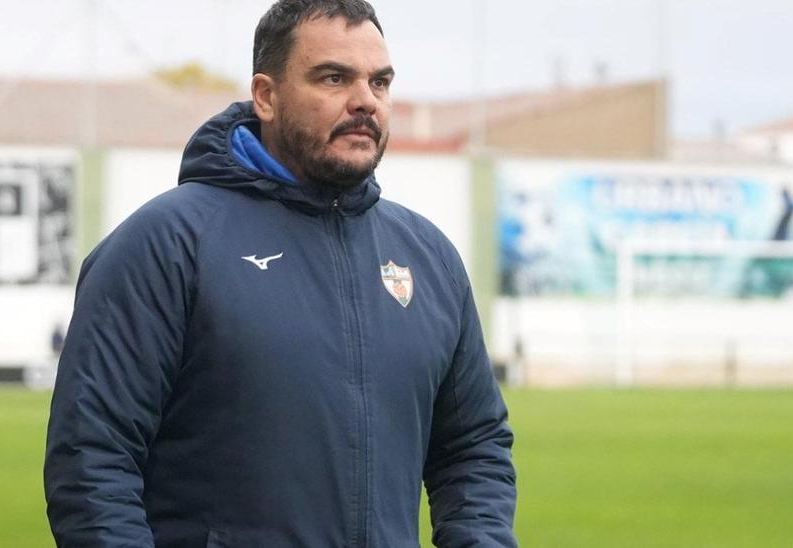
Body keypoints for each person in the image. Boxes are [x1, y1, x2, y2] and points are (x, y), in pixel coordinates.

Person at [44, 1, 518, 546]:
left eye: (380, 82)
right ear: (266, 97)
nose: (365, 100)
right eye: (334, 78)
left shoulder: (429, 258)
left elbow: (474, 448)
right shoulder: (165, 245)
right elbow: (92, 458)